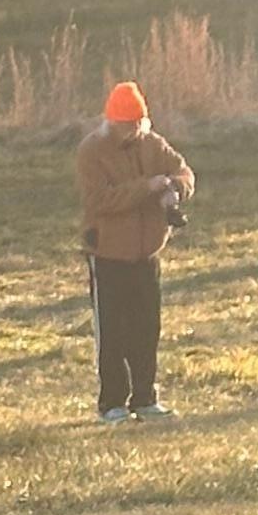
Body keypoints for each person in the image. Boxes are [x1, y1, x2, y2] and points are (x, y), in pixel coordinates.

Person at [76, 78, 195, 422]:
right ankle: (112, 403)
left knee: (147, 329)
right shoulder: (91, 151)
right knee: (112, 332)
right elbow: (99, 200)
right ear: (111, 122)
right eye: (126, 124)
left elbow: (184, 172)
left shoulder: (153, 144)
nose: (133, 130)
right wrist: (147, 188)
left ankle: (145, 398)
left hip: (147, 255)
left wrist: (175, 188)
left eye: (137, 123)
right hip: (108, 254)